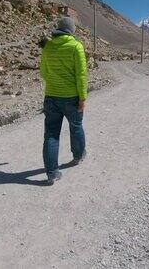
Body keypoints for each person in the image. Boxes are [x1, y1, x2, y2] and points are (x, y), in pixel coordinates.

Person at [39, 17, 88, 184]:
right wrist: (82, 97)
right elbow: (81, 76)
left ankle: (52, 173)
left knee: (51, 134)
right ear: (71, 30)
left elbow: (44, 72)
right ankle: (78, 156)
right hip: (72, 97)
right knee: (76, 126)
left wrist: (55, 83)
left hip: (51, 96)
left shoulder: (47, 47)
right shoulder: (76, 46)